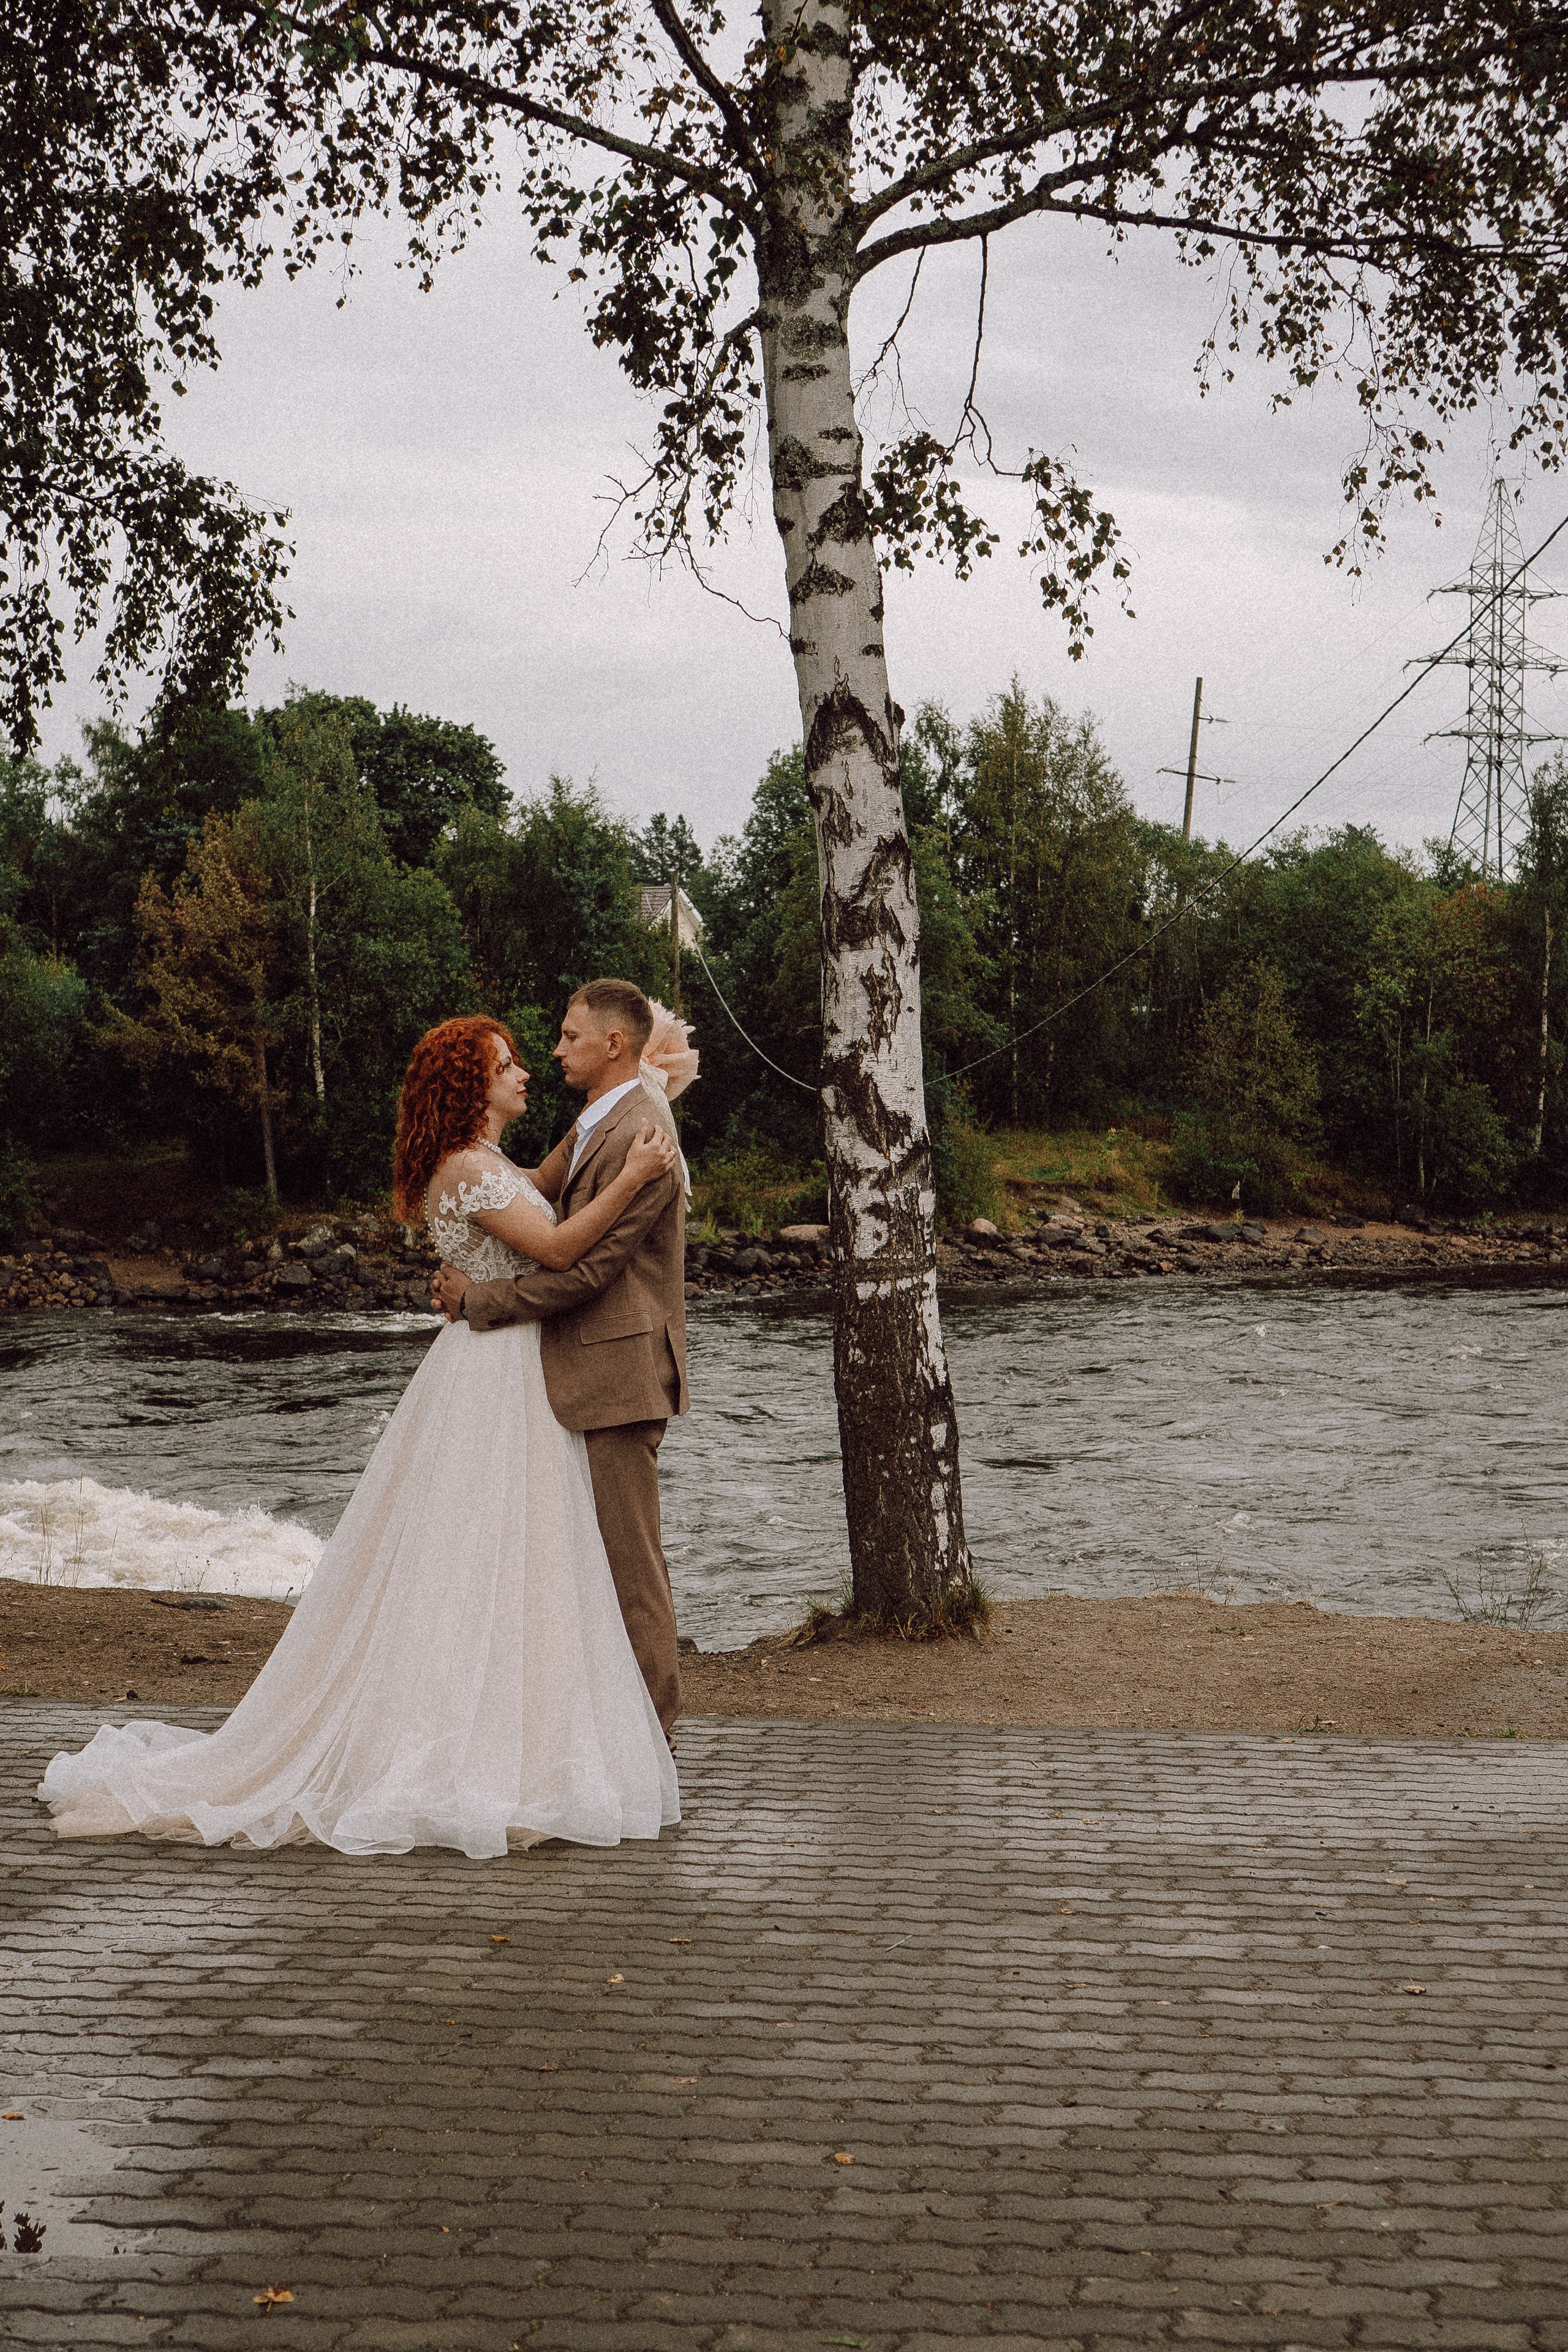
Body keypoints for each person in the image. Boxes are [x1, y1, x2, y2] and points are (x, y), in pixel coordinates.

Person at [37, 1016, 682, 1858]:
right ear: (469, 1086)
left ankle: (525, 1743)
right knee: (479, 1560)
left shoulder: (491, 1165)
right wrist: (635, 1174)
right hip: (493, 1376)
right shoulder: (466, 1171)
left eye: (529, 1057)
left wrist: (648, 1088)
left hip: (517, 1374)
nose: (526, 1069)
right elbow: (559, 1247)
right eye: (506, 1064)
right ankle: (474, 1752)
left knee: (520, 1562)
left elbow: (560, 1164)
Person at [431, 979, 692, 1741]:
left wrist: (478, 1298)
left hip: (619, 1377)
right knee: (574, 1565)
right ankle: (593, 1737)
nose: (554, 1051)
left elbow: (585, 1271)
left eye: (570, 1036)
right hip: (571, 1376)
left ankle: (653, 1743)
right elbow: (530, 1194)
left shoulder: (646, 1136)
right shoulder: (596, 1122)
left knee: (629, 1571)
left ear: (615, 1044)